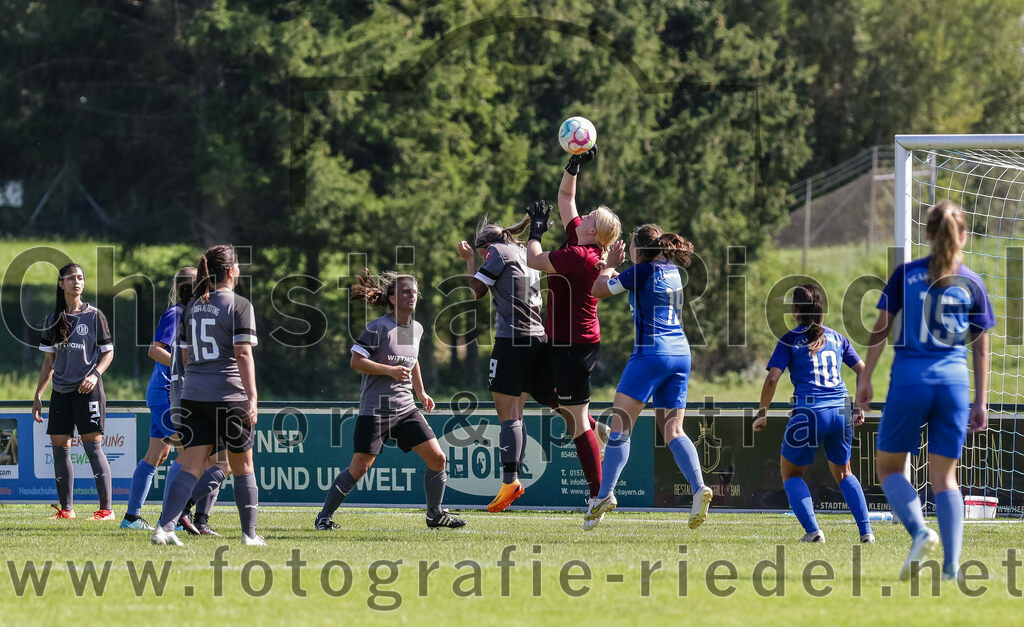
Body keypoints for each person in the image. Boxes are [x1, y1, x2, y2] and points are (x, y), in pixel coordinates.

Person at [857, 201, 994, 581]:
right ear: (963, 236)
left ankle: (920, 531)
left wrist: (865, 378)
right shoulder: (973, 281)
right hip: (953, 384)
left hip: (909, 380)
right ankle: (951, 568)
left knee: (888, 468)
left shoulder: (905, 275)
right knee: (946, 479)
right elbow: (981, 347)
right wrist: (981, 400)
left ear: (928, 233)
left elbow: (881, 328)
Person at [315, 269, 466, 530]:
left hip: (406, 409)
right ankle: (324, 517)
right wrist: (389, 371)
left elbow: (412, 360)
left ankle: (434, 514)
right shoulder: (378, 327)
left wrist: (421, 393)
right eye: (406, 292)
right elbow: (356, 361)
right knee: (360, 468)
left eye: (414, 292)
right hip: (376, 410)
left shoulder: (415, 329)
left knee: (438, 459)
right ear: (393, 298)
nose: (412, 296)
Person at [585, 224, 712, 530]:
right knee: (674, 431)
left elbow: (597, 291)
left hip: (651, 353)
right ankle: (699, 488)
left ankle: (604, 495)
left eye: (631, 245)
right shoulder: (671, 271)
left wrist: (610, 266)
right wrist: (615, 272)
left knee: (620, 428)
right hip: (680, 354)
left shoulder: (640, 272)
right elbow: (634, 284)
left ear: (638, 250)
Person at [524, 146, 619, 505]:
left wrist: (535, 231)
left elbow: (534, 260)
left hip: (576, 346)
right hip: (560, 340)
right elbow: (566, 197)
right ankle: (595, 427)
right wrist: (573, 165)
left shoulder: (580, 256)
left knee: (575, 424)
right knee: (537, 385)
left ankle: (599, 495)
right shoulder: (579, 237)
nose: (585, 215)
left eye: (592, 216)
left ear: (596, 231)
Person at [151, 245, 263, 546]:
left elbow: (184, 356)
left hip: (193, 396)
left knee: (191, 465)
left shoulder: (192, 306)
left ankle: (164, 528)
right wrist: (252, 397)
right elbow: (242, 353)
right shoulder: (240, 305)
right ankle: (249, 535)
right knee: (243, 466)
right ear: (231, 271)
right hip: (229, 395)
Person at [752, 284, 874, 543]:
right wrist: (859, 405)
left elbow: (772, 379)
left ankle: (813, 532)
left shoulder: (789, 339)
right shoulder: (838, 338)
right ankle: (867, 533)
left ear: (795, 310)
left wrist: (762, 413)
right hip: (841, 410)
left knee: (790, 474)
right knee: (845, 473)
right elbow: (864, 370)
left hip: (809, 412)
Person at [457, 216, 556, 512]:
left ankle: (510, 481)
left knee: (508, 415)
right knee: (521, 411)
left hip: (513, 339)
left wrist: (469, 261)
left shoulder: (497, 253)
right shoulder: (524, 252)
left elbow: (476, 291)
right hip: (538, 336)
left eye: (481, 252)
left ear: (485, 246)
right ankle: (590, 427)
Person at [122, 267, 228, 534]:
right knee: (190, 454)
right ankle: (173, 518)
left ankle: (132, 518)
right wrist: (186, 365)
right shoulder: (176, 313)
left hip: (167, 393)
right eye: (203, 283)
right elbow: (155, 350)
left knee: (156, 456)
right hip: (167, 393)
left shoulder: (194, 314)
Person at [32, 262, 115, 521]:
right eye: (70, 278)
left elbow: (108, 353)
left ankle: (106, 510)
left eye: (80, 278)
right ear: (61, 284)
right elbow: (48, 361)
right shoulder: (52, 319)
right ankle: (67, 510)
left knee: (92, 448)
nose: (76, 282)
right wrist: (38, 395)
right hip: (60, 392)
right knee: (59, 447)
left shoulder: (95, 316)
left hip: (87, 390)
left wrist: (94, 375)